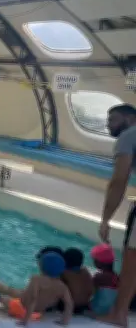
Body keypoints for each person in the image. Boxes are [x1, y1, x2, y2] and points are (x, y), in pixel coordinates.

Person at [98, 103, 136, 326]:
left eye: (113, 119)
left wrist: (105, 219)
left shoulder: (129, 135)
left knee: (132, 260)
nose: (108, 125)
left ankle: (119, 315)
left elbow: (119, 180)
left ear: (129, 119)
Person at [0, 251, 73, 325]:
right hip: (38, 314)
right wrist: (64, 321)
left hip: (23, 310)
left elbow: (33, 298)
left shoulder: (36, 279)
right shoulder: (62, 286)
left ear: (41, 266)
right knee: (14, 291)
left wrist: (25, 321)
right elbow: (69, 304)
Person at [61, 248, 94, 314]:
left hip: (70, 307)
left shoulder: (64, 273)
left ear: (64, 261)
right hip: (85, 305)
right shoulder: (86, 271)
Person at [90, 243, 119, 316]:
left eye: (94, 259)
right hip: (111, 310)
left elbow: (89, 292)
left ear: (99, 262)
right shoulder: (116, 276)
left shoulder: (98, 277)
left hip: (98, 309)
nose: (93, 261)